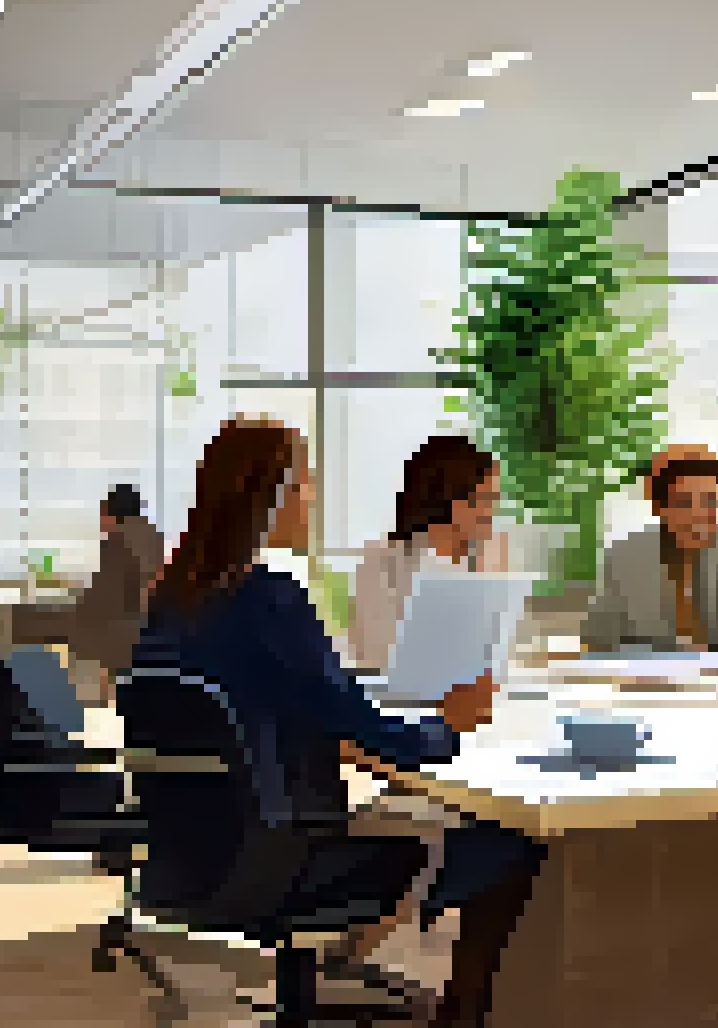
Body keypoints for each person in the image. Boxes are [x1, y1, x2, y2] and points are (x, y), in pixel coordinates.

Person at [133, 415, 543, 1028]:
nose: (312, 502)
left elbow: (317, 705)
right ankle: (464, 1015)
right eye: (303, 487)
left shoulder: (171, 599)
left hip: (190, 852)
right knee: (503, 834)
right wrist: (449, 727)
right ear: (268, 497)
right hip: (278, 847)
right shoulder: (268, 595)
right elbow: (352, 718)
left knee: (433, 822)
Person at [579, 445, 718, 653]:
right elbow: (596, 638)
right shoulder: (626, 557)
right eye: (683, 503)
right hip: (643, 680)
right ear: (659, 508)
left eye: (710, 501)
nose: (698, 514)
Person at [344, 436, 512, 674]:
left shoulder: (469, 564)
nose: (492, 512)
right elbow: (378, 662)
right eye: (488, 499)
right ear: (456, 502)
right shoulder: (387, 566)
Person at [61, 484, 165, 704]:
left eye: (103, 512)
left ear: (112, 513)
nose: (100, 520)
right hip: (152, 626)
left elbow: (103, 598)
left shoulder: (118, 541)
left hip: (126, 632)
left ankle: (91, 697)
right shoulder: (152, 537)